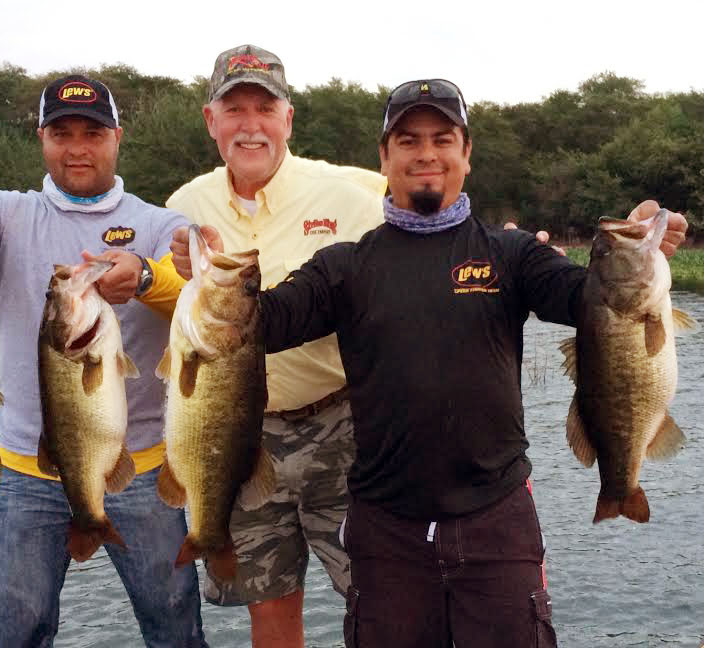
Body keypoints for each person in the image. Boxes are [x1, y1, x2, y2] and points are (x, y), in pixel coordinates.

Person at [176, 78, 688, 647]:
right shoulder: (344, 266)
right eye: (408, 140)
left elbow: (590, 300)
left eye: (442, 139)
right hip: (384, 530)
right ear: (384, 158)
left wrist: (640, 240)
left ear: (467, 154)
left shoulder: (511, 255)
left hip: (497, 521)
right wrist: (208, 275)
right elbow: (262, 322)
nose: (426, 154)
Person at [0, 75, 207, 648]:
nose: (78, 147)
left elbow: (198, 293)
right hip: (25, 472)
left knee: (174, 625)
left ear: (117, 138)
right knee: (21, 630)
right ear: (42, 138)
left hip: (143, 468)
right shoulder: (5, 213)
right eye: (62, 133)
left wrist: (149, 277)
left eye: (92, 133)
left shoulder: (159, 223)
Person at [165, 44, 387, 648]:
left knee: (378, 597)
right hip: (230, 436)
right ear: (210, 121)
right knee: (269, 603)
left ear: (289, 118)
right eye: (233, 108)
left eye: (265, 107)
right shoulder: (183, 207)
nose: (250, 124)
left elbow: (426, 230)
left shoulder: (348, 199)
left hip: (342, 427)